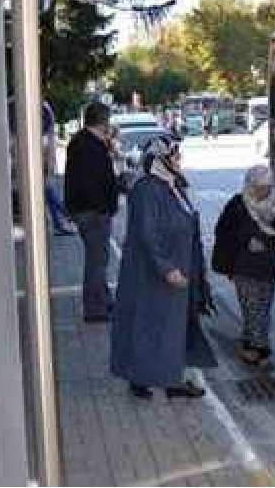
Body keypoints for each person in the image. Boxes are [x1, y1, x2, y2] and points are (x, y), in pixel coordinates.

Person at [110, 135, 216, 399]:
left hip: (178, 267)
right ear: (160, 159)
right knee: (152, 327)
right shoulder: (146, 189)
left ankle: (166, 378)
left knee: (171, 328)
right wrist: (167, 268)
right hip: (155, 275)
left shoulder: (172, 185)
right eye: (175, 156)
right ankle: (149, 378)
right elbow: (148, 233)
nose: (179, 160)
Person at [213, 165, 275, 367]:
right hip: (244, 268)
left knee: (263, 310)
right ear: (250, 185)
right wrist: (245, 242)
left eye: (267, 187)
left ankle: (251, 344)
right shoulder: (238, 205)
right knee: (252, 310)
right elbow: (222, 232)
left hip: (269, 268)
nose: (263, 191)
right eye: (259, 187)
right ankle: (259, 349)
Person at [65, 102, 120, 322]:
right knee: (97, 261)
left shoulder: (85, 142)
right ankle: (95, 307)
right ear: (103, 121)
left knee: (99, 259)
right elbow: (92, 182)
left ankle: (103, 299)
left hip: (88, 210)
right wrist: (103, 207)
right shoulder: (89, 147)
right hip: (93, 212)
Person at [42, 101, 75, 236]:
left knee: (49, 193)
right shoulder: (45, 108)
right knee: (49, 194)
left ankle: (66, 216)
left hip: (42, 159)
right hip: (44, 159)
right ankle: (60, 221)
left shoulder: (42, 108)